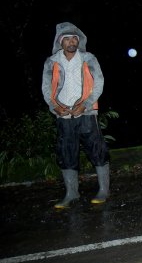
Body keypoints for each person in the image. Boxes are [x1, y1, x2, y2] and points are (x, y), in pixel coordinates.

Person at [42, 22, 110, 209]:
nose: (71, 42)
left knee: (97, 150)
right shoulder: (51, 62)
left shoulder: (89, 58)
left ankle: (104, 190)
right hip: (63, 115)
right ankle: (71, 193)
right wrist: (54, 107)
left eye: (74, 38)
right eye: (67, 39)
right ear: (60, 42)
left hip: (87, 113)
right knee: (66, 152)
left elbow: (99, 83)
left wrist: (86, 105)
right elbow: (46, 88)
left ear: (78, 41)